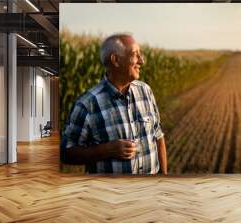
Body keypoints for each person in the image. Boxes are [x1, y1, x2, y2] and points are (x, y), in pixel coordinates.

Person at [61, 33, 167, 175]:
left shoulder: (145, 91)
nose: (141, 61)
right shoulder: (87, 104)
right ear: (115, 60)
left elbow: (158, 135)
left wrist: (164, 176)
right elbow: (66, 153)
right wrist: (105, 150)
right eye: (135, 55)